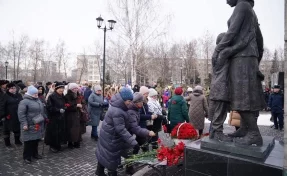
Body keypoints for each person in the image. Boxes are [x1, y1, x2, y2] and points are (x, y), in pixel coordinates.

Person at [96, 88, 137, 176]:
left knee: (104, 154)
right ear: (123, 100)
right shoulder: (118, 111)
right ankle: (111, 173)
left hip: (108, 135)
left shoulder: (117, 107)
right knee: (112, 159)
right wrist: (133, 142)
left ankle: (99, 172)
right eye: (129, 101)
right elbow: (120, 129)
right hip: (112, 138)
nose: (130, 103)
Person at [126, 92, 156, 174]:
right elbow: (134, 127)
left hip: (132, 130)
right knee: (133, 147)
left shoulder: (136, 108)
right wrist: (148, 132)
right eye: (141, 102)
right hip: (126, 133)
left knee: (140, 144)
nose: (143, 104)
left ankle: (132, 162)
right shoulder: (131, 111)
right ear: (137, 102)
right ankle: (129, 167)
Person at [18, 86, 46, 164]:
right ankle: (27, 157)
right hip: (29, 125)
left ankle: (35, 154)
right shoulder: (24, 102)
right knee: (28, 142)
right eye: (34, 93)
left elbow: (41, 111)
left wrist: (45, 117)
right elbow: (21, 114)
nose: (36, 94)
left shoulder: (38, 100)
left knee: (35, 140)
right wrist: (24, 124)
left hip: (38, 123)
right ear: (30, 94)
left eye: (37, 93)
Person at [45, 82, 67, 152]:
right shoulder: (52, 96)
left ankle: (58, 145)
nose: (61, 90)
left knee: (60, 132)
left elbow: (64, 104)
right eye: (60, 88)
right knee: (54, 132)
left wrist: (65, 107)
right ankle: (53, 146)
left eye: (62, 88)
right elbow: (49, 107)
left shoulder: (62, 96)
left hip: (61, 117)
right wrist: (58, 110)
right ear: (56, 89)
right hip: (54, 118)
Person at [0, 83, 23, 147]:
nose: (13, 89)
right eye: (12, 88)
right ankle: (7, 143)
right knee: (6, 130)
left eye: (14, 88)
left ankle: (17, 141)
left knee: (17, 129)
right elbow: (1, 106)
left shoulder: (19, 95)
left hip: (17, 115)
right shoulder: (5, 96)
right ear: (8, 89)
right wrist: (3, 115)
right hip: (8, 116)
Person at [64, 83, 82, 148]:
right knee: (70, 129)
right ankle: (70, 142)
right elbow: (67, 106)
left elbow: (82, 101)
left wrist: (82, 105)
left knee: (77, 129)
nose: (76, 89)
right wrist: (76, 106)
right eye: (74, 88)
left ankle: (77, 141)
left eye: (76, 88)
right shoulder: (67, 96)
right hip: (70, 115)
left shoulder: (78, 95)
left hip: (77, 114)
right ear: (71, 89)